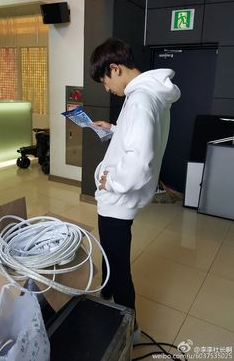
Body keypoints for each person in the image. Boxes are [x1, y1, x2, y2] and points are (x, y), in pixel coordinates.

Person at [89, 38, 181, 336]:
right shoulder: (146, 94)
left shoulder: (140, 98)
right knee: (111, 255)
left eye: (105, 80)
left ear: (115, 68)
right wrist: (114, 130)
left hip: (119, 199)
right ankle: (106, 298)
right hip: (118, 200)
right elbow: (140, 138)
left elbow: (140, 162)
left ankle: (129, 330)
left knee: (118, 267)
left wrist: (110, 180)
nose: (106, 88)